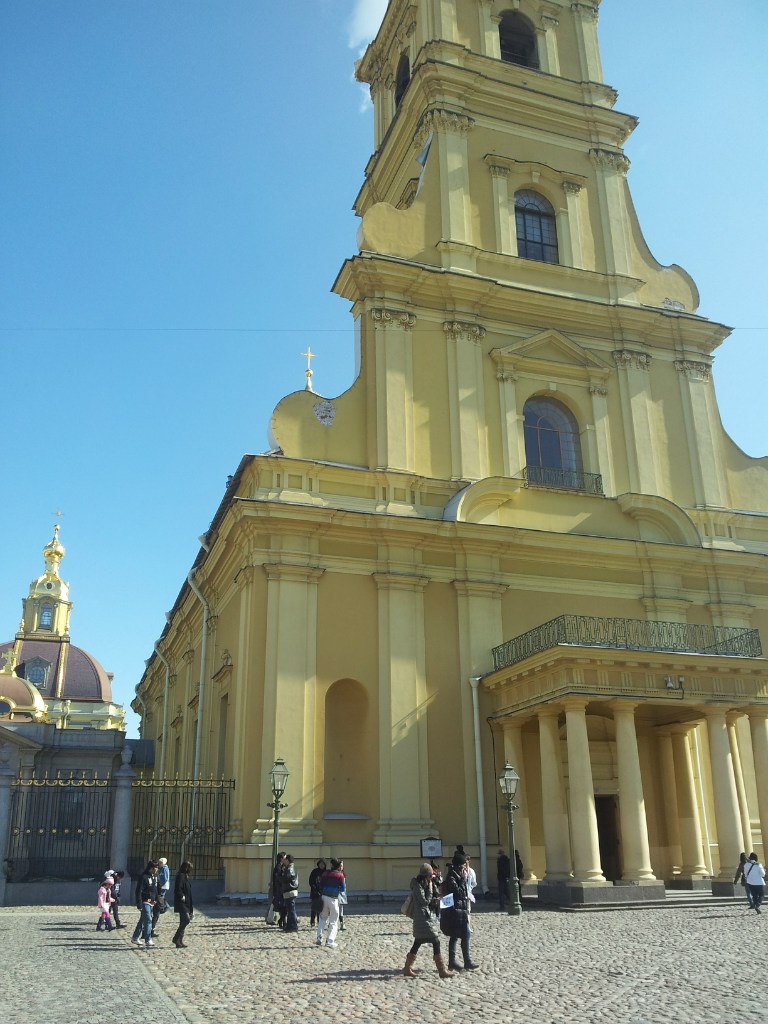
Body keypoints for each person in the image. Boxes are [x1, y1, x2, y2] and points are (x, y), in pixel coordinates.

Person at [403, 863, 453, 980]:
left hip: (426, 918)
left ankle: (407, 968)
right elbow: (424, 901)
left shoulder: (425, 883)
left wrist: (436, 897)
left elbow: (429, 900)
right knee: (435, 941)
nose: (431, 878)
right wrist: (430, 889)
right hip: (422, 919)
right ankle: (442, 971)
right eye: (430, 876)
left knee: (418, 942)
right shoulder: (417, 885)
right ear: (425, 876)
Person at [440, 852, 479, 971]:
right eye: (462, 866)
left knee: (466, 935)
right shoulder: (451, 877)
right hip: (455, 911)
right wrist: (462, 880)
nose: (464, 869)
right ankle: (452, 962)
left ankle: (467, 961)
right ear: (457, 866)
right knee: (454, 936)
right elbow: (458, 893)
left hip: (462, 910)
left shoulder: (459, 876)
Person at [316, 857, 345, 949]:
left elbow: (321, 885)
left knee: (322, 918)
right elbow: (343, 889)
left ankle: (319, 938)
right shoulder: (340, 876)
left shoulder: (325, 873)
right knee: (333, 921)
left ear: (332, 865)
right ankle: (330, 941)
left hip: (324, 897)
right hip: (333, 899)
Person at [132, 860, 159, 947]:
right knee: (148, 920)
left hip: (152, 902)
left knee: (142, 921)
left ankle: (135, 938)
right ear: (151, 868)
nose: (157, 869)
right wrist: (139, 903)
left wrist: (157, 899)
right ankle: (148, 939)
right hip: (145, 902)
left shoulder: (154, 876)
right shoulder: (143, 877)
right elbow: (138, 891)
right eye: (156, 867)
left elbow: (155, 889)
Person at [171, 861, 194, 948]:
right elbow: (178, 889)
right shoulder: (180, 876)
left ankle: (179, 941)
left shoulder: (186, 877)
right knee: (186, 920)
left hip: (187, 903)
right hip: (182, 902)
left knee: (183, 921)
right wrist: (182, 896)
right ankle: (176, 938)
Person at [152, 857, 170, 935]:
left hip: (163, 886)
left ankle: (164, 907)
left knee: (161, 898)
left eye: (160, 863)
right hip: (161, 886)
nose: (159, 864)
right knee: (161, 898)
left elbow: (165, 878)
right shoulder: (161, 869)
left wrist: (160, 884)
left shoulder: (165, 869)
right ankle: (163, 906)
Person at [281, 854, 299, 932]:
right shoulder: (289, 868)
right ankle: (289, 926)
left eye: (285, 859)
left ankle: (293, 926)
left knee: (291, 910)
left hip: (290, 892)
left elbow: (286, 879)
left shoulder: (289, 869)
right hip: (290, 892)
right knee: (290, 910)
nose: (283, 861)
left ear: (288, 860)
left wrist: (281, 877)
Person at [308, 859, 326, 927]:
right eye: (321, 864)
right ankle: (312, 920)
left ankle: (319, 921)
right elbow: (311, 881)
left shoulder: (325, 872)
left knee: (321, 908)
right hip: (314, 892)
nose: (322, 865)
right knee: (314, 907)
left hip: (323, 892)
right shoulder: (314, 871)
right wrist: (315, 889)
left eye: (323, 864)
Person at [271, 852, 287, 929]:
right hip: (279, 890)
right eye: (285, 858)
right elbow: (278, 879)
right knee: (282, 907)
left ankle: (282, 920)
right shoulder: (278, 867)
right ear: (281, 859)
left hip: (282, 890)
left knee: (284, 907)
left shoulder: (284, 866)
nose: (286, 859)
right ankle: (283, 921)